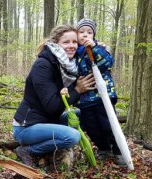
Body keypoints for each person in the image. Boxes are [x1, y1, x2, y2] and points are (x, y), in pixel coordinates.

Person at [13, 24, 96, 169]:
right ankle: (29, 150)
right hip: (27, 127)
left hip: (49, 120)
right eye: (66, 42)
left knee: (86, 114)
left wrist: (98, 48)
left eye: (74, 42)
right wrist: (77, 89)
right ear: (56, 44)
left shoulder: (67, 65)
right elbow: (52, 107)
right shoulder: (43, 65)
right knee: (72, 136)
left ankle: (53, 147)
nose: (72, 46)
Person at [74, 17, 125, 166]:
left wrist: (95, 48)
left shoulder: (98, 48)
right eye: (81, 31)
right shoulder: (74, 52)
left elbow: (107, 63)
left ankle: (118, 150)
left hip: (103, 96)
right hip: (85, 99)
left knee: (108, 125)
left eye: (89, 32)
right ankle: (103, 148)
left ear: (93, 35)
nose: (85, 35)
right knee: (91, 126)